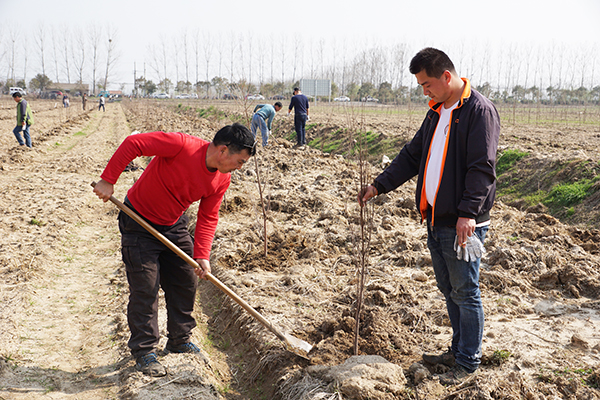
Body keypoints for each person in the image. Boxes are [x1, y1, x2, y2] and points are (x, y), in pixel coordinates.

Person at [358, 48, 500, 385]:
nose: (424, 92)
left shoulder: (478, 111)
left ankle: (468, 361)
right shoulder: (436, 112)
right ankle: (457, 349)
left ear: (446, 77)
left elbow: (482, 168)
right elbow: (412, 155)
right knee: (449, 288)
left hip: (463, 224)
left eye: (427, 84)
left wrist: (468, 213)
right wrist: (379, 185)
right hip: (436, 218)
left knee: (465, 291)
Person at [92, 123, 256, 377]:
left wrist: (202, 255)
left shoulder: (222, 179)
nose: (240, 167)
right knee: (146, 287)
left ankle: (179, 339)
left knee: (186, 279)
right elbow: (134, 143)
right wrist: (108, 180)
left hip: (173, 224)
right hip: (138, 221)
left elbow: (208, 217)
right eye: (240, 161)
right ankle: (145, 351)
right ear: (223, 150)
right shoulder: (182, 145)